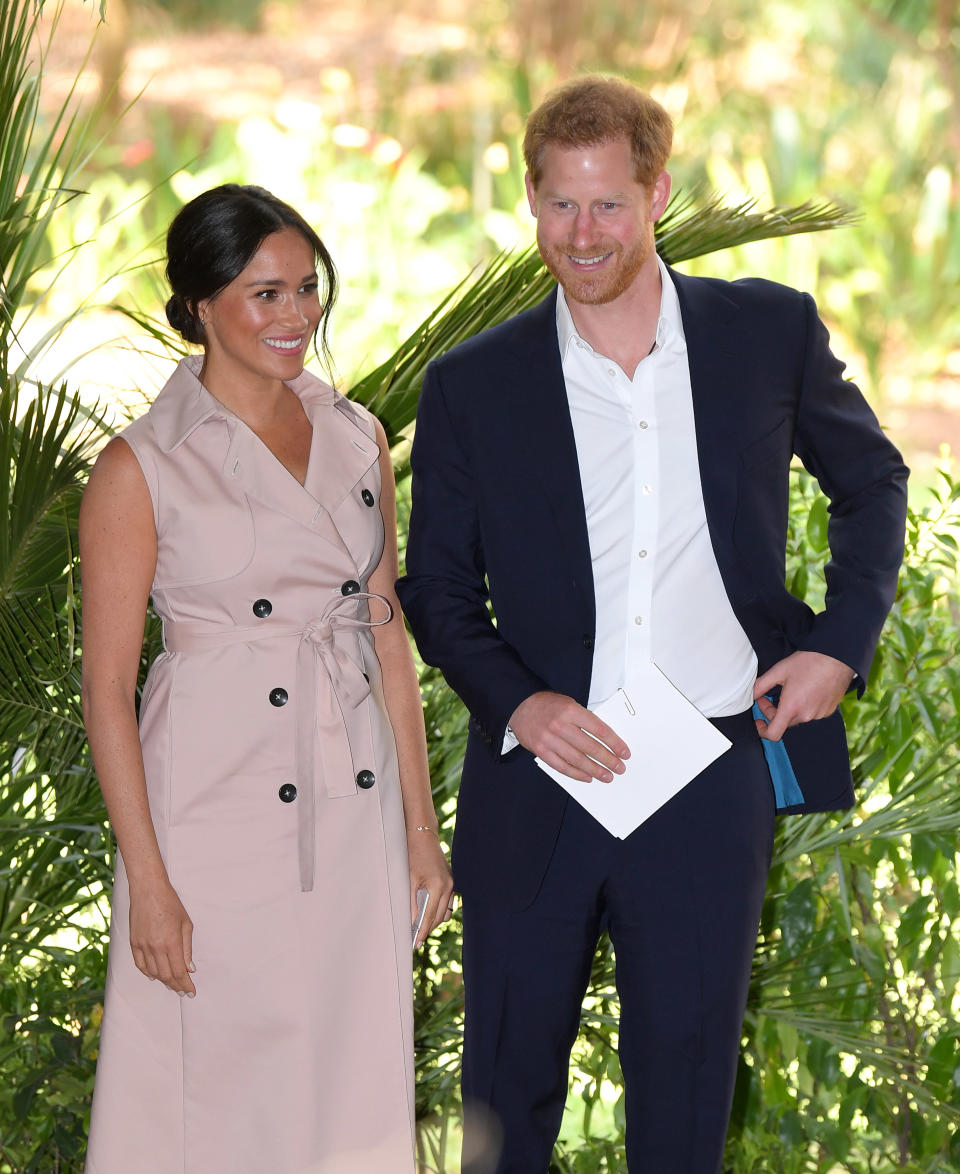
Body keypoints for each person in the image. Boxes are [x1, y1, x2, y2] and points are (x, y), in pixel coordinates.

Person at [396, 77, 908, 1173]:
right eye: (561, 208)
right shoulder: (472, 385)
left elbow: (874, 483)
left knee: (682, 1106)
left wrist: (839, 640)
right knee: (502, 1101)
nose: (584, 237)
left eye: (609, 206)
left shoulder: (765, 333)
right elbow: (433, 590)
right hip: (537, 780)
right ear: (531, 203)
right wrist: (522, 703)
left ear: (657, 193)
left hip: (709, 777)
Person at [80, 183, 453, 1174]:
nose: (297, 319)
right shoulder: (142, 466)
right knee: (220, 1093)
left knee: (349, 1083)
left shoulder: (356, 432)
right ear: (200, 303)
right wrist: (148, 882)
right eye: (266, 295)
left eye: (307, 290)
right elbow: (107, 689)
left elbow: (386, 639)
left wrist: (421, 834)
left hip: (352, 801)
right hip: (209, 809)